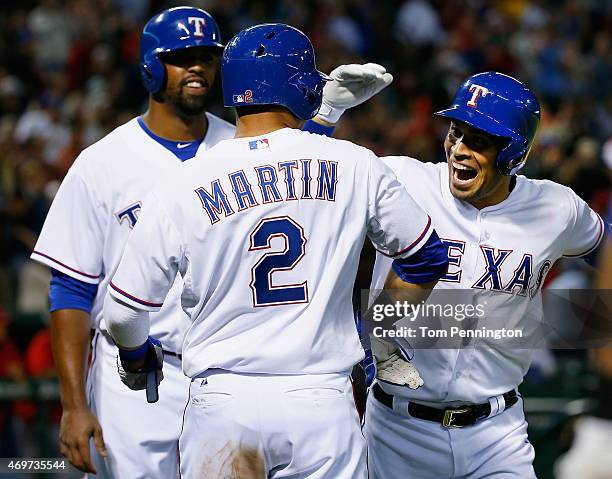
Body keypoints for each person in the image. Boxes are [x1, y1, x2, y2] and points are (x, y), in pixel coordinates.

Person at [102, 23, 449, 478]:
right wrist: (374, 331)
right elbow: (426, 258)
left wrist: (134, 357)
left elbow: (123, 314)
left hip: (223, 404)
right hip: (320, 402)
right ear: (303, 85)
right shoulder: (354, 162)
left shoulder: (182, 182)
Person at [361, 72, 607, 478]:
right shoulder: (402, 179)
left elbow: (604, 248)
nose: (458, 150)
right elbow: (313, 185)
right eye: (455, 133)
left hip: (498, 433)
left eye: (478, 142)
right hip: (398, 431)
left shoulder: (555, 207)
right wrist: (325, 115)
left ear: (512, 154)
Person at [30, 7, 235, 477]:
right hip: (134, 375)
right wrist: (73, 406)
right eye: (182, 57)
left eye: (206, 56)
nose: (198, 67)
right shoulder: (102, 163)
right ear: (151, 65)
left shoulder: (239, 150)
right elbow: (71, 290)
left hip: (226, 370)